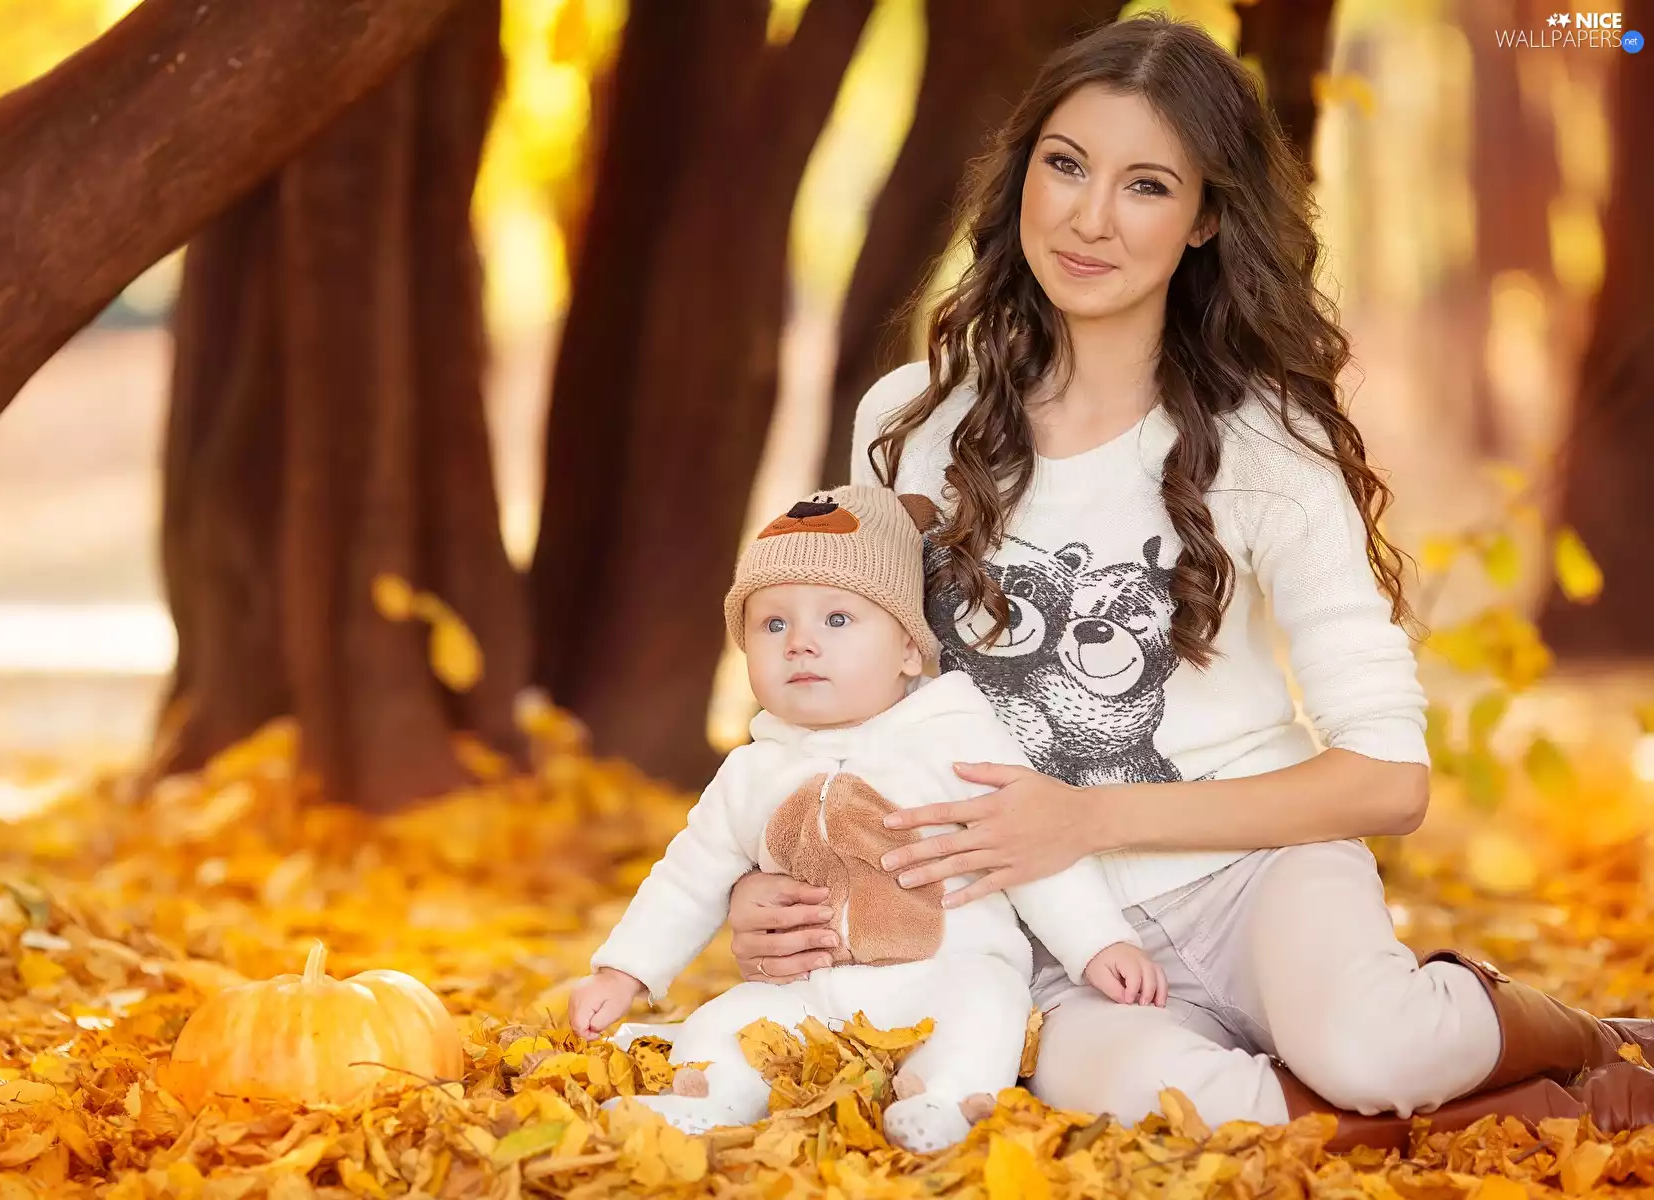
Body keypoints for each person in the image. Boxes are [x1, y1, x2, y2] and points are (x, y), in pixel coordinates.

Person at [721, 14, 1654, 1151]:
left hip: (1261, 883)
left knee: (1368, 1048)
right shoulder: (912, 423)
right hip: (1046, 941)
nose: (1090, 217)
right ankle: (1514, 1108)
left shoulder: (1269, 445)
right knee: (1187, 1117)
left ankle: (1574, 1038)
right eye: (1065, 165)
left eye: (1148, 185)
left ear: (1207, 217)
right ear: (1024, 174)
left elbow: (1390, 779)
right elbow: (846, 705)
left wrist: (1088, 818)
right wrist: (760, 891)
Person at [570, 484, 1162, 1152]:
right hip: (810, 986)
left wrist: (1098, 943)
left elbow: (1028, 853)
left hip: (945, 970)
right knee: (729, 1020)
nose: (800, 644)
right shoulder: (751, 772)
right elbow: (687, 880)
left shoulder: (956, 739)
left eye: (838, 620)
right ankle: (716, 1098)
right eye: (773, 625)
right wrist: (623, 972)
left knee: (987, 1007)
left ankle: (945, 1101)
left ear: (910, 650)